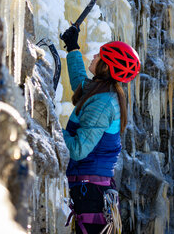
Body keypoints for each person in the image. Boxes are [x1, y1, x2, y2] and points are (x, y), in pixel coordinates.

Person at [61, 25, 140, 234]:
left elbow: (78, 149)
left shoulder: (102, 103)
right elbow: (80, 84)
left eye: (100, 55)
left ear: (106, 66)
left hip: (91, 194)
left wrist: (54, 131)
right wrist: (72, 48)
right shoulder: (102, 91)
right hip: (93, 189)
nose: (95, 55)